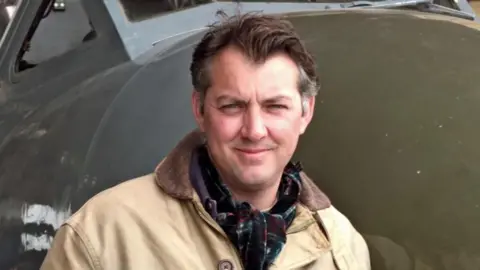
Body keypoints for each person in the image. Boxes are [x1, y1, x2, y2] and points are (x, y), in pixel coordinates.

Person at [40, 12, 371, 270]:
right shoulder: (102, 234)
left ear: (305, 113)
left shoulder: (343, 245)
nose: (255, 130)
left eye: (275, 107)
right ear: (200, 109)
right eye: (232, 106)